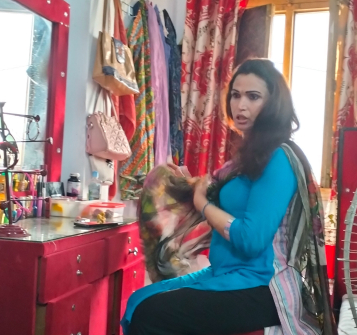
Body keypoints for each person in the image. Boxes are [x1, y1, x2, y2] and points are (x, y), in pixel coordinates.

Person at [121, 58, 332, 335]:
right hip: (227, 274)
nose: (240, 105)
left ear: (273, 103)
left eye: (253, 97)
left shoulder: (279, 158)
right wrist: (185, 182)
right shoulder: (243, 159)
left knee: (150, 314)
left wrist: (203, 204)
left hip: (262, 286)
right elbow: (216, 191)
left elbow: (250, 238)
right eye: (235, 95)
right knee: (138, 301)